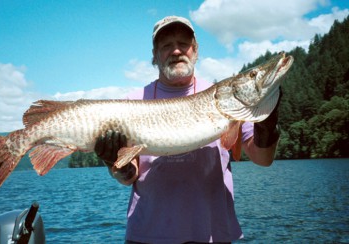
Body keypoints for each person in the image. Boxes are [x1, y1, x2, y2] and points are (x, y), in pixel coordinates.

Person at [94, 16, 281, 244]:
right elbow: (129, 177)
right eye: (166, 46)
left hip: (212, 235)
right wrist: (112, 160)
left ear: (195, 51)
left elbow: (262, 159)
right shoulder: (132, 102)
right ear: (154, 55)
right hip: (147, 236)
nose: (176, 51)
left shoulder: (225, 97)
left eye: (183, 43)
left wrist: (267, 123)